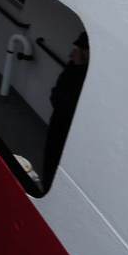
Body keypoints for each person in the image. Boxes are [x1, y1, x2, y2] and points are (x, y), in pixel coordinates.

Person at [41, 31, 89, 189]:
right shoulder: (74, 65)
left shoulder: (87, 73)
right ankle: (45, 183)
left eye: (82, 49)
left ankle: (50, 185)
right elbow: (60, 84)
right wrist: (57, 101)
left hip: (70, 122)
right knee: (51, 152)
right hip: (60, 115)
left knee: (60, 156)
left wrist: (79, 67)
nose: (77, 51)